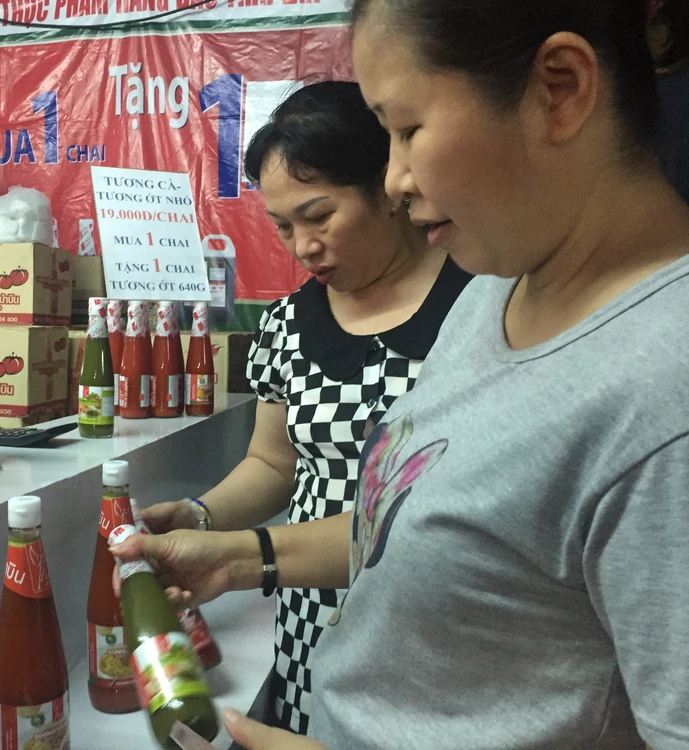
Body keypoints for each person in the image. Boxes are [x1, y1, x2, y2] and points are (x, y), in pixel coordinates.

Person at [113, 0, 689, 748]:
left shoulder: (673, 394)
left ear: (560, 89)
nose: (393, 179)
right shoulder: (495, 292)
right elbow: (411, 528)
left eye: (407, 129)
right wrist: (235, 556)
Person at [143, 80, 470, 733]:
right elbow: (273, 464)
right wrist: (201, 515)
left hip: (431, 636)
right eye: (284, 226)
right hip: (309, 623)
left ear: (388, 186)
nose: (302, 246)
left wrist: (238, 555)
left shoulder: (478, 308)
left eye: (319, 216)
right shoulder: (287, 325)